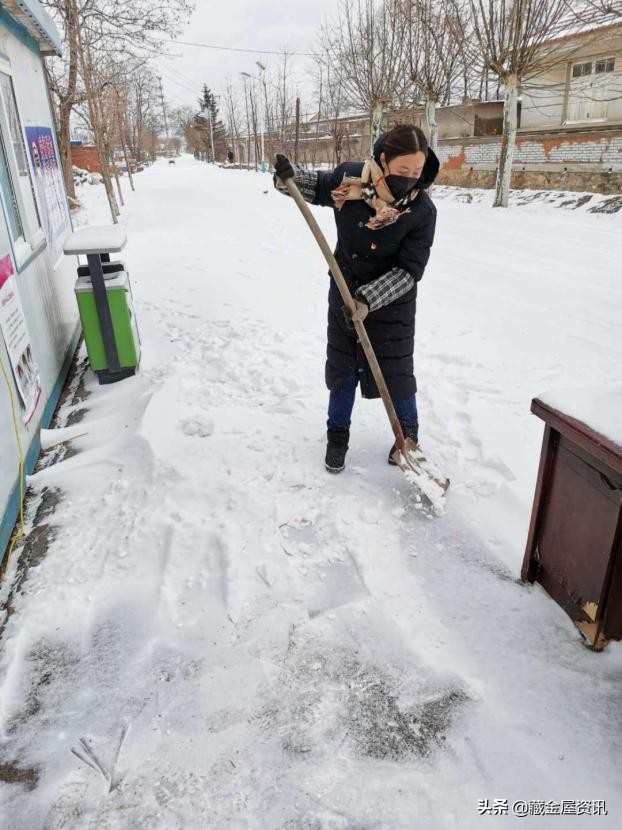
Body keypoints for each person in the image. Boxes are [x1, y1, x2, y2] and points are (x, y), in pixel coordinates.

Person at [274, 124, 438, 473]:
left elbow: (410, 271)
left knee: (396, 374)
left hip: (392, 304)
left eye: (417, 172)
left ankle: (408, 439)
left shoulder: (422, 211)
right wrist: (287, 178)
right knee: (343, 370)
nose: (410, 180)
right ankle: (337, 437)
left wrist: (367, 300)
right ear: (383, 160)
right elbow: (318, 186)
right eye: (403, 170)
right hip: (344, 295)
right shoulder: (350, 180)